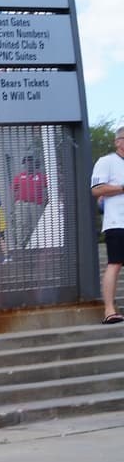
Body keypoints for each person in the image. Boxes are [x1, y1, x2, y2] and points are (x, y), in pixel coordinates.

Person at [91, 127, 124, 324]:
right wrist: (121, 187)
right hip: (117, 222)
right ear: (118, 141)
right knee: (115, 263)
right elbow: (96, 189)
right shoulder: (107, 161)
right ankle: (109, 310)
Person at [9, 155, 47, 251]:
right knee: (21, 225)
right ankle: (21, 247)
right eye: (25, 163)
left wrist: (46, 200)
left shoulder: (41, 177)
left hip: (36, 205)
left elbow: (50, 187)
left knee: (36, 225)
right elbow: (13, 190)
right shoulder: (19, 177)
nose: (28, 165)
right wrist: (15, 204)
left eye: (29, 162)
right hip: (22, 204)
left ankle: (38, 247)